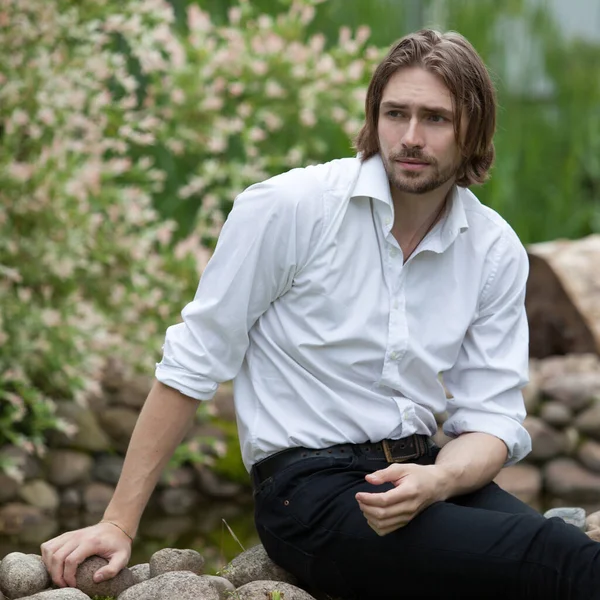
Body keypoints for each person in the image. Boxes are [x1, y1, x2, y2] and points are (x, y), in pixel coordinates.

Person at [41, 29, 600, 599]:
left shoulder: (493, 248)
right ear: (373, 116)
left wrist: (437, 479)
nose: (410, 137)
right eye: (395, 113)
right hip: (309, 493)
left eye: (435, 119)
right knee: (549, 555)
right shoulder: (291, 208)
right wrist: (118, 522)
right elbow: (193, 361)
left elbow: (491, 420)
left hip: (424, 469)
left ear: (472, 130)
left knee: (566, 557)